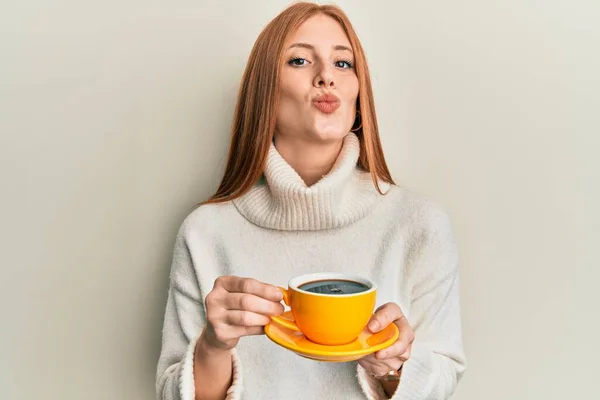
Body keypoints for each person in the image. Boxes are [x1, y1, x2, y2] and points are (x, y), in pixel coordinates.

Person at [156, 2, 466, 399]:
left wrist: (392, 368)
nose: (326, 77)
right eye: (300, 60)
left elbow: (445, 379)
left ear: (358, 90)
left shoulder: (419, 223)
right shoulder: (205, 232)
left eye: (343, 64)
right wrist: (214, 346)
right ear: (265, 88)